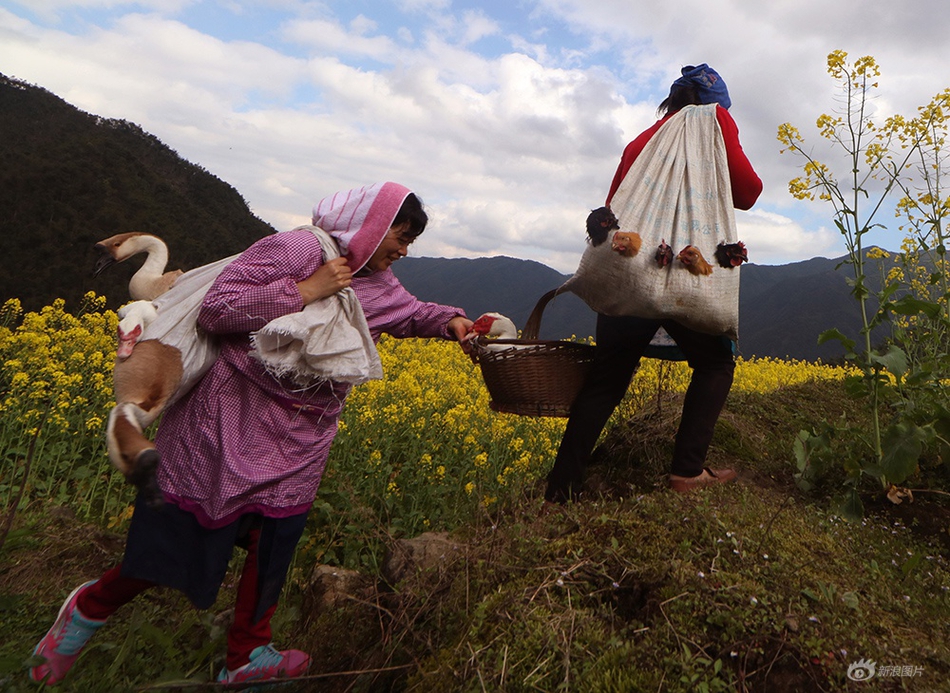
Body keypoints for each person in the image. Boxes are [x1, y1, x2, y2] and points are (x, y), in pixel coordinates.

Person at [30, 182, 473, 687]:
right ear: (370, 223)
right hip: (231, 421)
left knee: (273, 545)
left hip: (301, 439)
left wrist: (451, 321)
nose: (403, 248)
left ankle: (245, 655)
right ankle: (87, 610)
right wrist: (306, 290)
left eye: (410, 239)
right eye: (400, 233)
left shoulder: (376, 280)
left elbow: (409, 312)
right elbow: (220, 309)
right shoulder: (300, 250)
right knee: (176, 536)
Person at [545, 64, 763, 503]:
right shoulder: (716, 121)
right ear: (714, 102)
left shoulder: (642, 141)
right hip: (684, 272)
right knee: (717, 363)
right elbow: (747, 191)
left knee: (606, 380)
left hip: (632, 272)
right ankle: (686, 472)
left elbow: (614, 208)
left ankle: (560, 490)